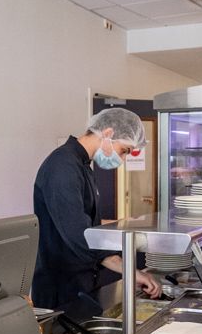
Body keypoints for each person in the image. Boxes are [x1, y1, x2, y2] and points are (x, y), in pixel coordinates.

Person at [32, 108, 161, 313]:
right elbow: (81, 237)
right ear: (108, 134)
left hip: (81, 281)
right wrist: (131, 271)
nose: (124, 158)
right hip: (60, 289)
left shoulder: (82, 165)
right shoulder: (62, 167)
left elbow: (90, 222)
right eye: (124, 150)